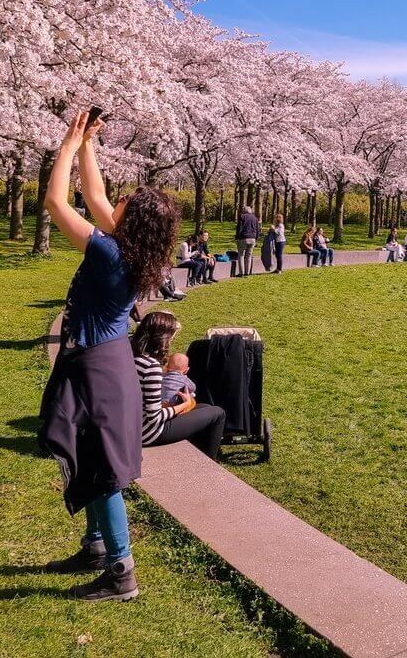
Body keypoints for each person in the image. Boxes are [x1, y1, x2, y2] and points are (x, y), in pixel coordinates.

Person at [39, 110, 179, 602]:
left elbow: (57, 201)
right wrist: (85, 145)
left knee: (103, 467)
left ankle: (121, 570)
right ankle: (97, 546)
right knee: (91, 457)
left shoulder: (108, 253)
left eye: (124, 201)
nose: (113, 200)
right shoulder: (135, 250)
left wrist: (65, 145)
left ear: (130, 218)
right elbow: (95, 196)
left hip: (96, 366)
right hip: (105, 359)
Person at [132, 311, 226, 459]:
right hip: (147, 432)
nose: (170, 343)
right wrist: (184, 404)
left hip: (132, 423)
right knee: (218, 413)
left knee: (205, 408)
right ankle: (209, 465)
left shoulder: (132, 355)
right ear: (162, 338)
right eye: (171, 339)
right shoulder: (151, 366)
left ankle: (196, 455)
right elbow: (155, 417)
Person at [234, 205, 260, 277]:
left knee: (241, 255)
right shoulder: (255, 218)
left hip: (243, 238)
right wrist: (256, 239)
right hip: (253, 239)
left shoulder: (242, 216)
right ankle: (247, 272)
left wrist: (236, 237)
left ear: (244, 211)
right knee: (248, 256)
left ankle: (241, 273)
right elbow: (258, 230)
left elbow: (239, 228)